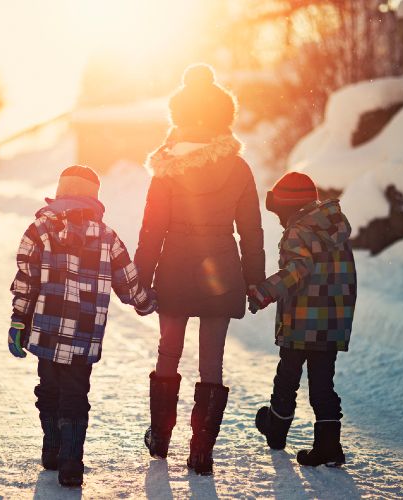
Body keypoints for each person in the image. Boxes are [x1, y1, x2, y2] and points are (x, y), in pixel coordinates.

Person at [134, 64, 265, 475]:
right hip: (222, 273)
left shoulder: (168, 169)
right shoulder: (239, 168)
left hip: (173, 271)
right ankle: (201, 451)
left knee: (168, 353)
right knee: (212, 362)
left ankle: (161, 437)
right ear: (223, 117)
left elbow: (152, 229)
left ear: (180, 117)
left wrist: (140, 279)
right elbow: (251, 232)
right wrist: (255, 281)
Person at [8, 165, 157, 488]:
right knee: (75, 394)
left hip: (46, 333)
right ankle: (71, 462)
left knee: (48, 389)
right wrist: (146, 303)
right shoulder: (106, 236)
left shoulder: (38, 231)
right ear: (94, 198)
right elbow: (128, 281)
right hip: (83, 335)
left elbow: (25, 280)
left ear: (60, 193)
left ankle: (52, 448)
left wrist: (19, 320)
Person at [247, 172, 357, 467]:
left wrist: (263, 293)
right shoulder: (334, 229)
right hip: (331, 322)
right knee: (323, 384)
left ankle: (276, 429)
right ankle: (329, 445)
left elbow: (297, 270)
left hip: (301, 322)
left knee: (287, 378)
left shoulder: (298, 231)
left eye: (280, 212)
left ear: (288, 208)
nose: (280, 220)